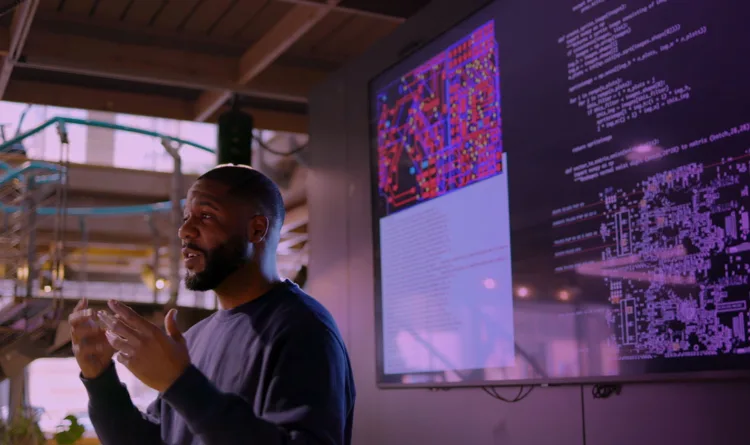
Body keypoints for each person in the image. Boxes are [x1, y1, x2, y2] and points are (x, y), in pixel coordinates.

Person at [68, 164, 356, 445]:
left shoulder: (304, 330)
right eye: (185, 218)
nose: (184, 232)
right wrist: (101, 380)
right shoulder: (193, 339)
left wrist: (180, 384)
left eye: (205, 216)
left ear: (256, 230)